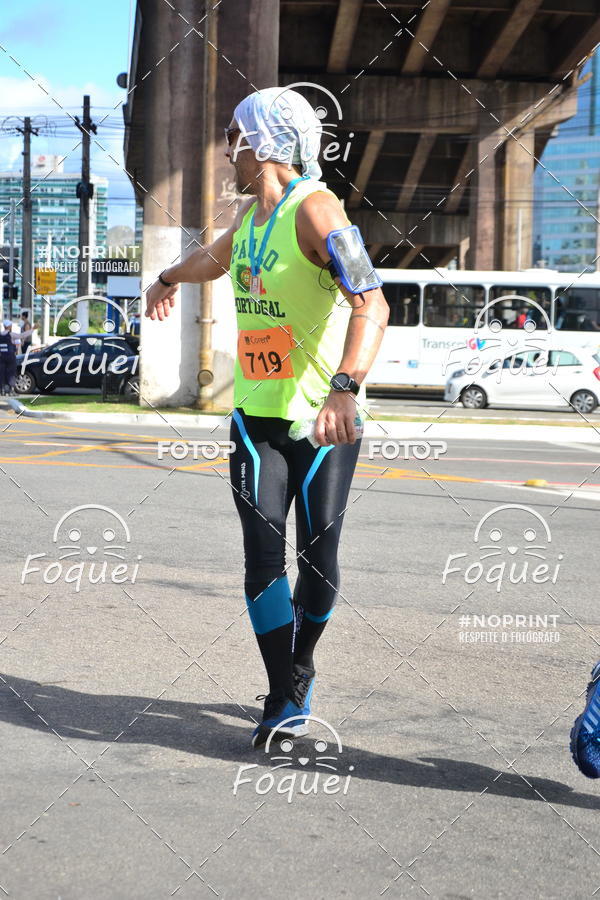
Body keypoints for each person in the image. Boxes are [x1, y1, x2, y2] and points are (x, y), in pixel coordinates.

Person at [145, 87, 389, 747]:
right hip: (256, 422)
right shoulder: (250, 221)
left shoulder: (318, 209)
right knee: (261, 559)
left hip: (322, 423)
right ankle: (282, 697)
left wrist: (345, 386)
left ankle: (302, 662)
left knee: (319, 559)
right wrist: (168, 277)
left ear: (262, 141)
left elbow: (371, 300)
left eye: (234, 134)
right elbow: (208, 258)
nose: (227, 147)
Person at [0, 320, 17, 395]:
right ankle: (11, 390)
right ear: (9, 326)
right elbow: (22, 335)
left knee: (2, 373)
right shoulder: (11, 335)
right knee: (11, 373)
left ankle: (2, 390)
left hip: (1, 357)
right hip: (10, 357)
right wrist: (32, 329)